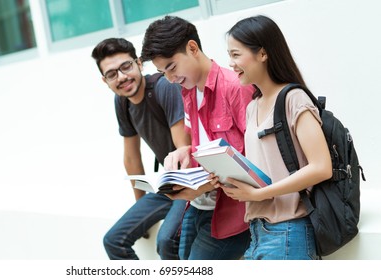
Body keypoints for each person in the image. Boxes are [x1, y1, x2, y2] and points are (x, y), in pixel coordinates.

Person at [141, 16, 253, 260]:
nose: (169, 79)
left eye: (171, 67)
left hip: (233, 211)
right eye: (162, 72)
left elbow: (255, 160)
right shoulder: (188, 91)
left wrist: (204, 186)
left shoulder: (236, 87)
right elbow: (202, 145)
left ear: (192, 48)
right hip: (200, 204)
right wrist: (184, 151)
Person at [221, 15, 332, 259]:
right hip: (257, 233)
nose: (231, 63)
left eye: (236, 54)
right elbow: (268, 168)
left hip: (289, 232)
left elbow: (322, 167)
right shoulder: (253, 106)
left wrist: (260, 194)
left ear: (262, 53)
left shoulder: (295, 99)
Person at [91, 38, 190, 260]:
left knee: (166, 241)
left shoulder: (164, 87)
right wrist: (142, 208)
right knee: (114, 240)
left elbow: (185, 150)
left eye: (126, 67)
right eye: (112, 74)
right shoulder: (122, 102)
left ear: (139, 63)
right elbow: (131, 158)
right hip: (167, 186)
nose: (122, 77)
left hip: (190, 182)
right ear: (105, 81)